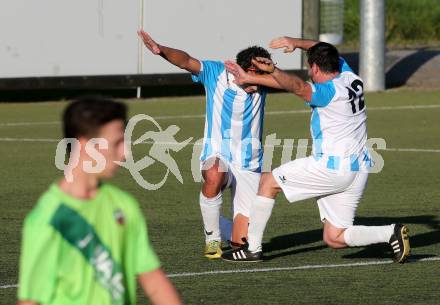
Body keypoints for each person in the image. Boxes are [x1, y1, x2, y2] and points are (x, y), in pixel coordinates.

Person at [221, 37, 410, 263]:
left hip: (332, 168)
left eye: (310, 66)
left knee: (267, 182)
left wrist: (268, 71)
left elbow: (296, 86)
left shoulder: (326, 93)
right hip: (359, 171)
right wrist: (295, 43)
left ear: (316, 67)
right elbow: (321, 49)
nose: (309, 72)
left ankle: (252, 248)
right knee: (335, 237)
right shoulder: (349, 75)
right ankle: (390, 232)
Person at [17, 97, 182, 305]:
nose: (126, 153)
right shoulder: (47, 219)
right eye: (117, 143)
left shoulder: (124, 204)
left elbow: (152, 279)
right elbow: (30, 301)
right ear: (88, 146)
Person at [138, 30, 282, 259]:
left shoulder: (265, 83)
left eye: (262, 75)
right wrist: (161, 50)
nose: (258, 81)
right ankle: (212, 238)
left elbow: (289, 83)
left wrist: (271, 70)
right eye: (255, 74)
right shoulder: (217, 73)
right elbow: (186, 61)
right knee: (215, 173)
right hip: (218, 154)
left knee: (240, 243)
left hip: (249, 164)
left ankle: (217, 220)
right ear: (241, 69)